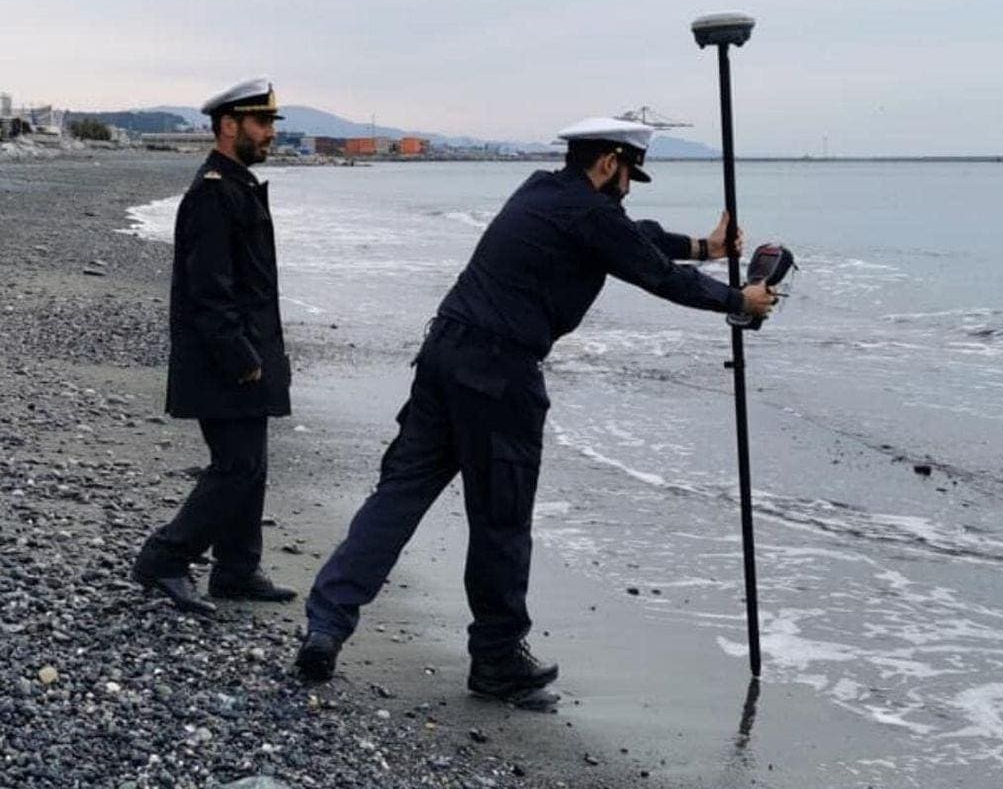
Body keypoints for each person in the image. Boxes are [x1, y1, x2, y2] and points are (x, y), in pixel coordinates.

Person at [296, 118, 776, 695]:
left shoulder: (540, 190)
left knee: (399, 493)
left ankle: (325, 626)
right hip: (500, 375)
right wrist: (738, 299)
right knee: (501, 518)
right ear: (608, 163)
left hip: (443, 353)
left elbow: (633, 236)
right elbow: (652, 272)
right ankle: (497, 656)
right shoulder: (590, 213)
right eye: (629, 175)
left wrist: (706, 247)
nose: (628, 187)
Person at [132, 79, 296, 614]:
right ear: (230, 126)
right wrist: (241, 358)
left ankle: (236, 569)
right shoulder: (212, 194)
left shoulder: (238, 185)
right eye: (262, 123)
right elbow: (207, 291)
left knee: (253, 463)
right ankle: (164, 557)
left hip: (246, 352)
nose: (270, 133)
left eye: (271, 123)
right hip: (224, 360)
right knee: (237, 466)